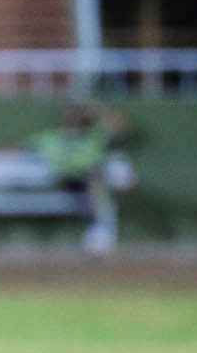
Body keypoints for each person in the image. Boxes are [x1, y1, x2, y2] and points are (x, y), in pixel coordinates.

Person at [27, 102, 130, 254]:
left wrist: (95, 110)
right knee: (95, 182)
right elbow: (21, 148)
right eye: (70, 114)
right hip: (63, 180)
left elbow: (121, 125)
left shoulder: (94, 136)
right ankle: (99, 231)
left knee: (115, 164)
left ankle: (100, 233)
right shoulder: (50, 137)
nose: (73, 118)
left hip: (90, 180)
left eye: (78, 114)